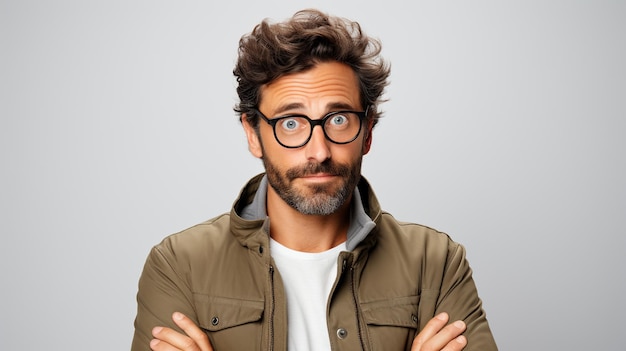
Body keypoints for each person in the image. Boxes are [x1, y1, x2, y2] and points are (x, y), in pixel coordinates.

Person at [131, 8, 497, 351]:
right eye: (291, 123)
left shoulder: (436, 262)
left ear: (367, 131)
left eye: (338, 119)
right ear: (253, 134)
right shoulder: (180, 265)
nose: (318, 151)